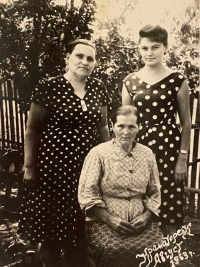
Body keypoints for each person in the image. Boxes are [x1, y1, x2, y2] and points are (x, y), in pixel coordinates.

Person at [18, 39, 110, 267]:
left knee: (80, 234)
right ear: (67, 58)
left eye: (90, 58)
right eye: (79, 56)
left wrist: (108, 163)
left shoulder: (98, 88)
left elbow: (103, 128)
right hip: (53, 173)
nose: (85, 62)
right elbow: (32, 131)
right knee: (50, 236)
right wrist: (29, 167)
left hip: (86, 171)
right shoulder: (49, 87)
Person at [122, 25, 191, 236]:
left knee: (168, 203)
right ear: (139, 49)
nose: (149, 53)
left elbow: (186, 123)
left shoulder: (178, 80)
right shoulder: (130, 81)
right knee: (138, 199)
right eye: (144, 48)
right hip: (139, 149)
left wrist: (182, 159)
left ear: (165, 48)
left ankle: (168, 253)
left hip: (169, 150)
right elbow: (126, 121)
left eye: (155, 47)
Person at [78, 105, 163, 267]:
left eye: (132, 126)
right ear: (112, 126)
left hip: (140, 221)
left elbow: (155, 191)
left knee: (157, 249)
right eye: (121, 126)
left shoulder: (147, 154)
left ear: (139, 127)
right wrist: (110, 219)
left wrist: (146, 217)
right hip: (104, 221)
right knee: (114, 250)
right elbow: (87, 194)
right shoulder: (99, 153)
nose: (126, 131)